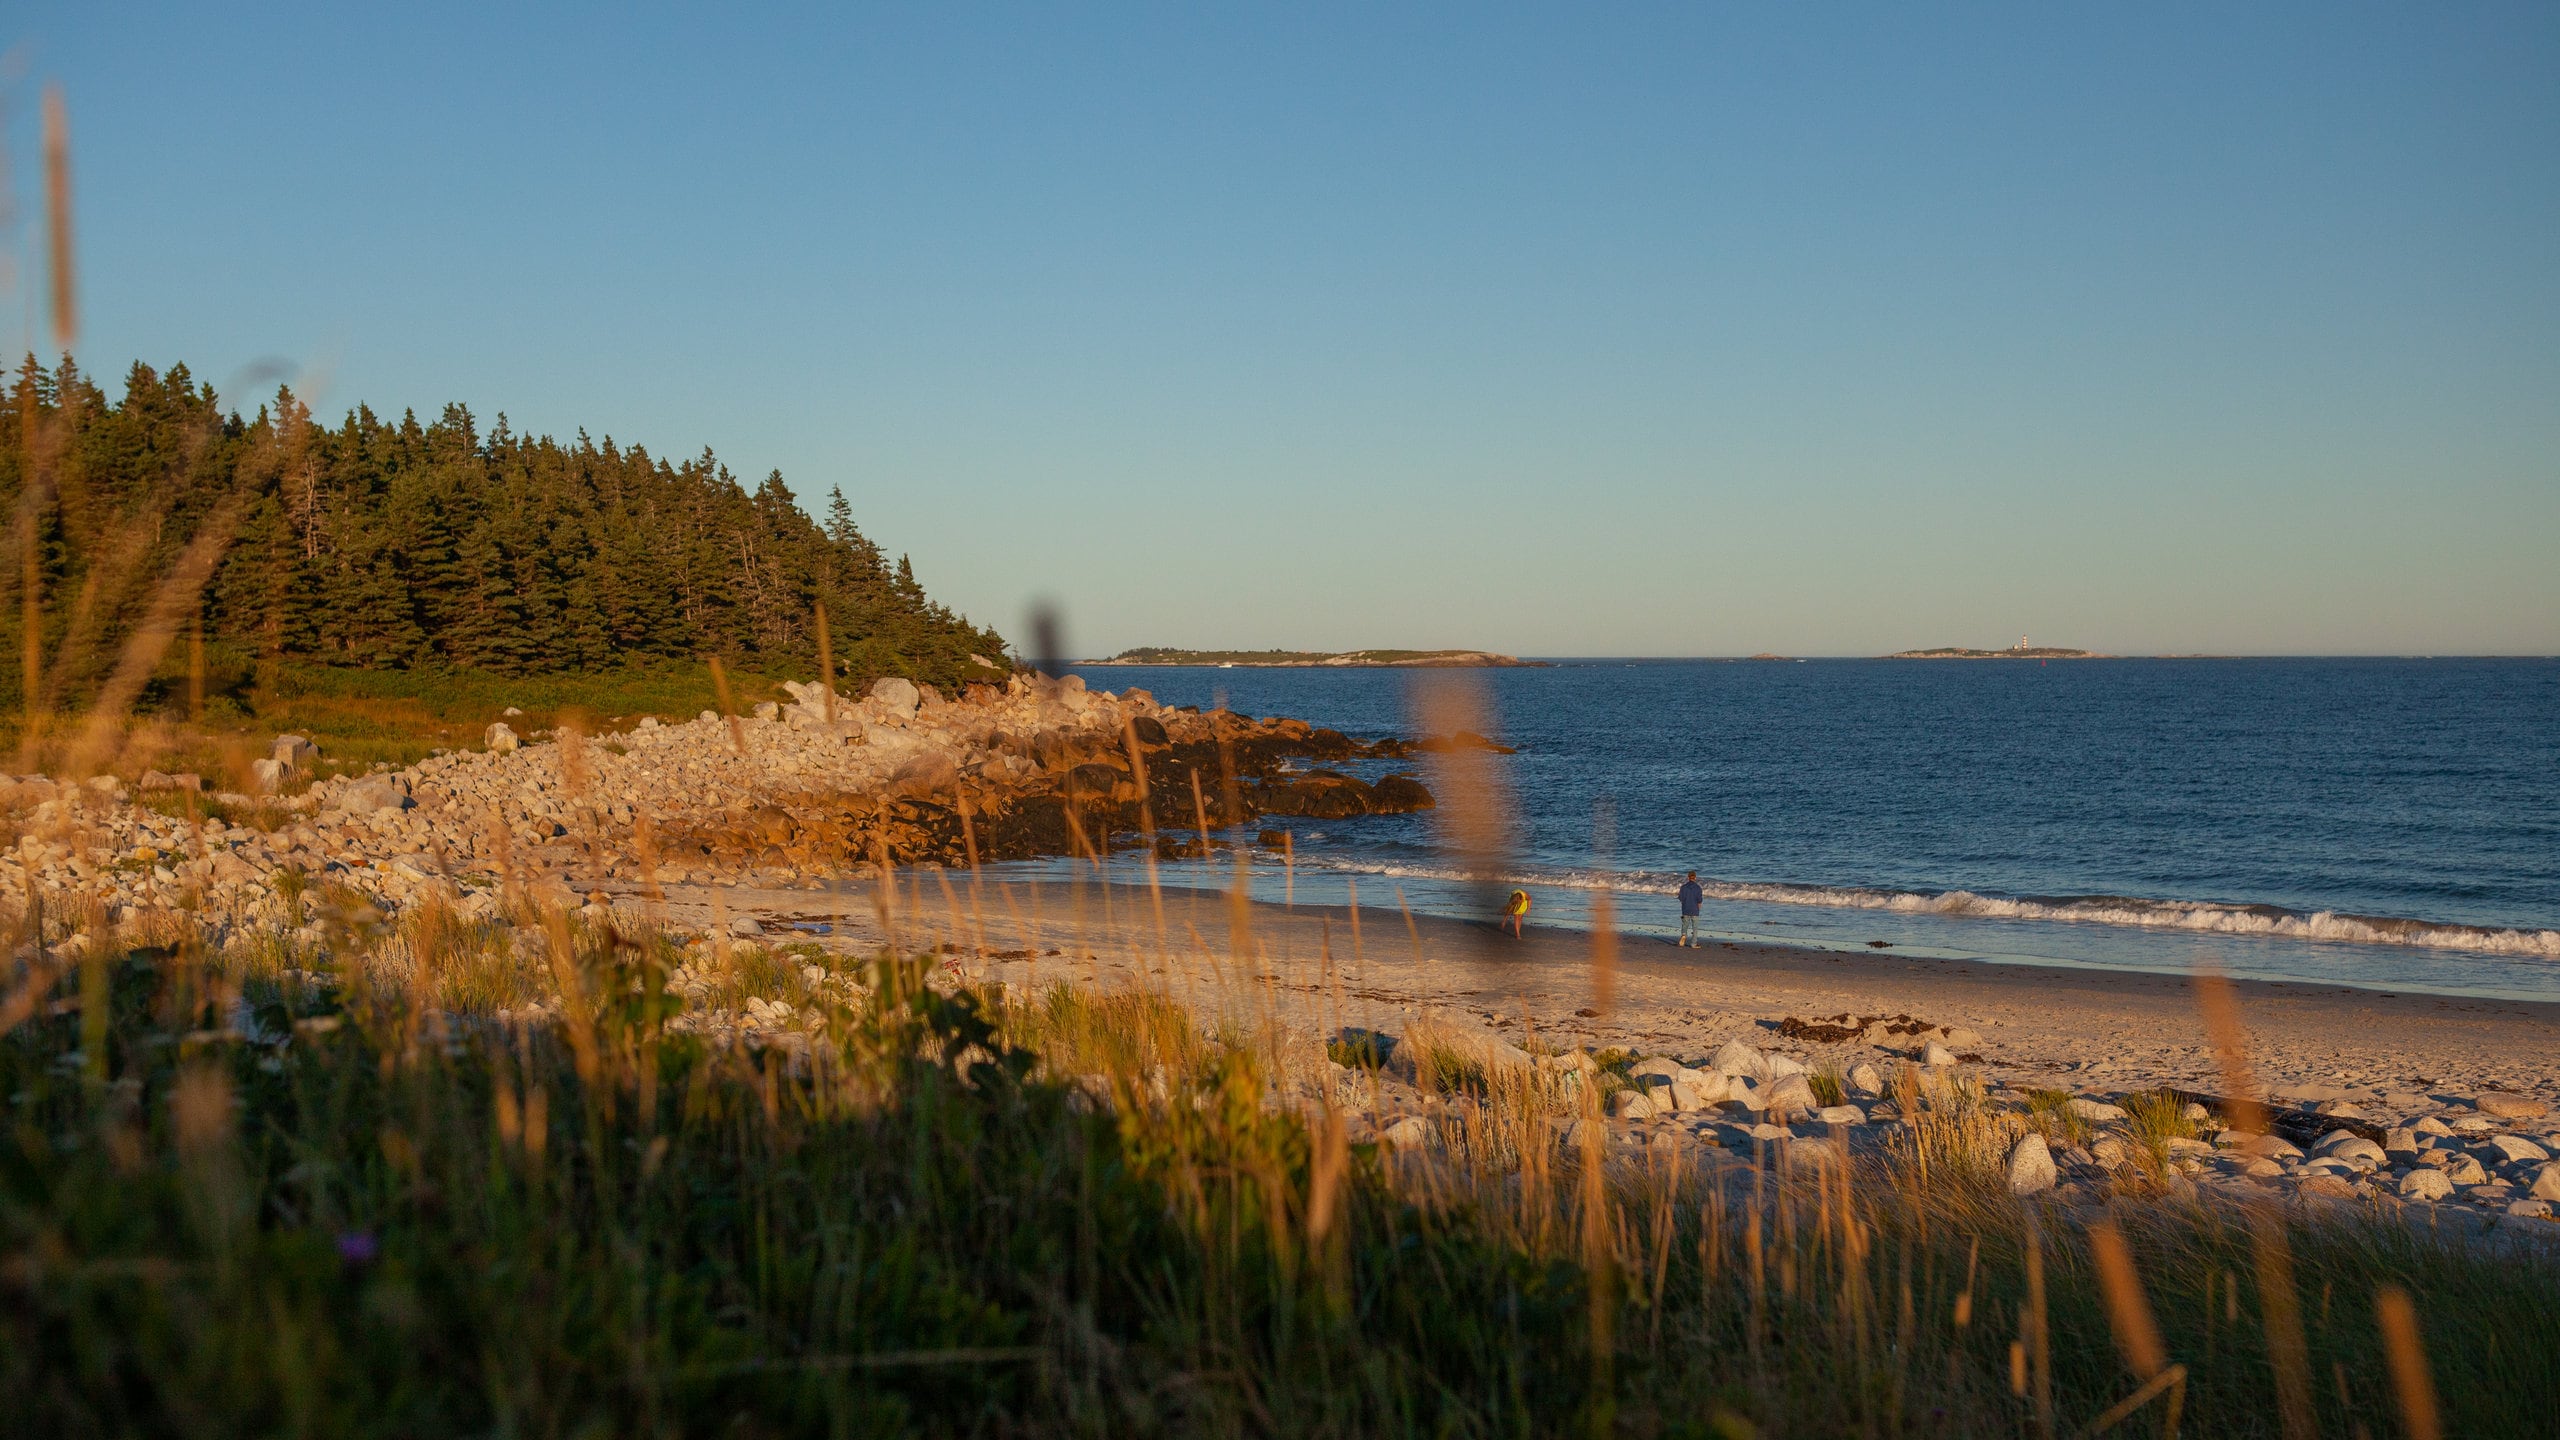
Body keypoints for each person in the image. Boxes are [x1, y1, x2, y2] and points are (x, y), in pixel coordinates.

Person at [1677, 871, 1704, 947]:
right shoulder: (1698, 888)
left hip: (1686, 909)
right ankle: (1693, 943)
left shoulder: (1683, 887)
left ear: (1688, 877)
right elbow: (1699, 900)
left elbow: (1681, 898)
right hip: (1695, 909)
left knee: (1685, 924)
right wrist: (1699, 906)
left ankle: (1684, 934)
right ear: (1695, 877)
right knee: (1695, 928)